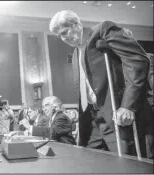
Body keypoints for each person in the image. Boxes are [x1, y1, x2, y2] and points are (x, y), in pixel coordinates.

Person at [49, 10, 153, 156]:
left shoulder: (102, 30)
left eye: (65, 32)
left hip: (117, 114)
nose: (63, 38)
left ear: (77, 25)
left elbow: (137, 61)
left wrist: (128, 106)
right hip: (94, 120)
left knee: (129, 163)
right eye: (59, 36)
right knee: (91, 160)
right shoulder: (75, 54)